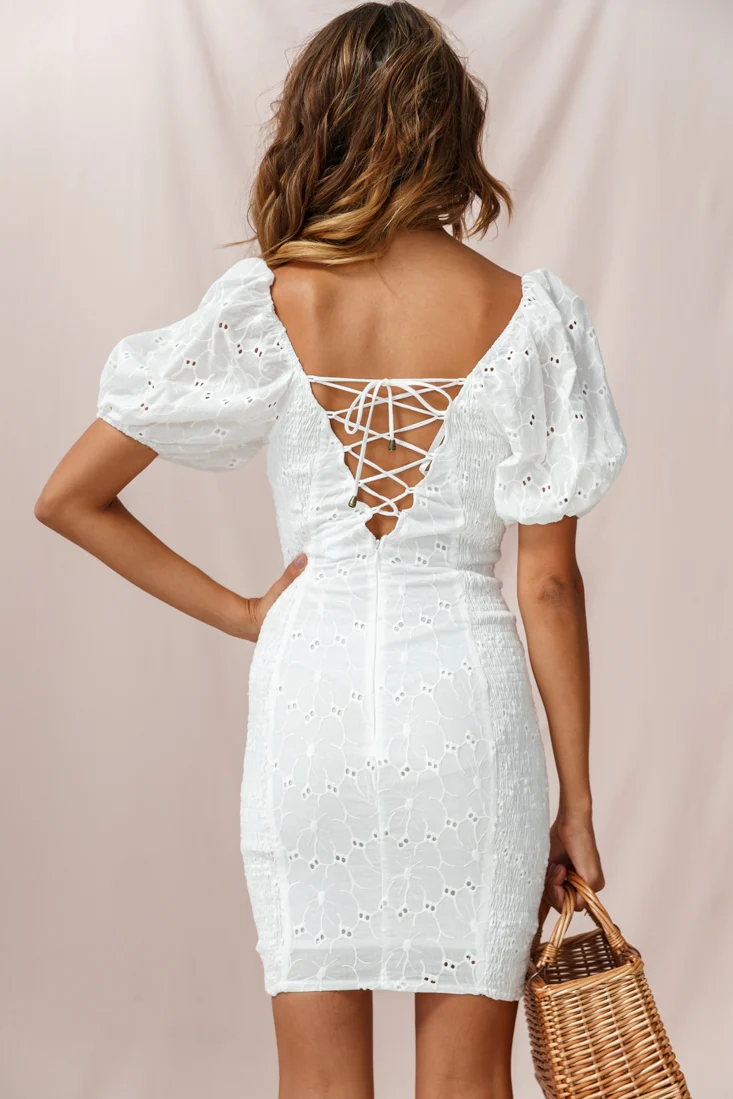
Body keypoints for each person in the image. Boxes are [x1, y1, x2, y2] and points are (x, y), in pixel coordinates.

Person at [34, 3, 628, 1097]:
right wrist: (577, 804)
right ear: (450, 132)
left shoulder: (271, 300)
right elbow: (547, 582)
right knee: (468, 1081)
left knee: (313, 1080)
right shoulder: (529, 317)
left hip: (310, 704)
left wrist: (244, 613)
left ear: (319, 122)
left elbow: (70, 497)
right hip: (468, 712)